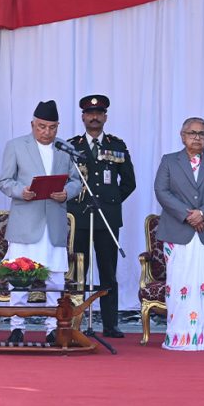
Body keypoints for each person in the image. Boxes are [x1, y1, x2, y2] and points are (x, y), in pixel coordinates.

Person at [0, 100, 81, 344]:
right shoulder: (16, 146)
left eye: (52, 127)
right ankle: (17, 327)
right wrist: (21, 190)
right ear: (32, 124)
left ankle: (53, 328)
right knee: (20, 277)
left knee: (55, 278)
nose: (47, 132)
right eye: (42, 127)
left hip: (53, 222)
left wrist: (67, 193)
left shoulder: (65, 149)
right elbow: (4, 181)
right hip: (26, 221)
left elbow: (75, 181)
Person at [153, 117, 204, 351]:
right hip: (179, 232)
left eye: (202, 133)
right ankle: (180, 336)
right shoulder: (169, 161)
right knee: (181, 284)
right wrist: (188, 215)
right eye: (192, 133)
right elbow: (161, 190)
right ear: (182, 136)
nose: (197, 137)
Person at [66, 94, 136, 339]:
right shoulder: (70, 145)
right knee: (77, 273)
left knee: (108, 272)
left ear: (105, 117)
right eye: (89, 113)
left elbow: (129, 182)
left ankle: (109, 324)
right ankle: (73, 322)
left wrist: (111, 202)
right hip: (79, 217)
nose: (94, 117)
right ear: (83, 117)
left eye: (99, 113)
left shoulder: (116, 145)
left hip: (107, 219)